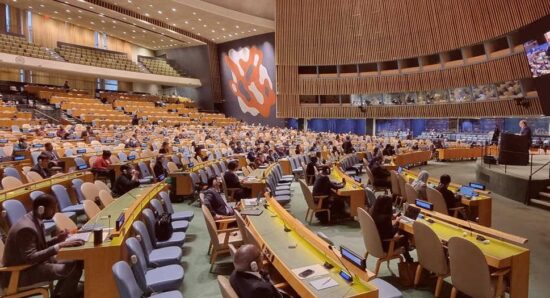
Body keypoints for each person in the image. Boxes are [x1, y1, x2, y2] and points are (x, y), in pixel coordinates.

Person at [0, 194, 85, 298]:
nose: (55, 211)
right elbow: (31, 257)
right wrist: (59, 245)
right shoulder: (26, 228)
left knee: (76, 261)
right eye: (53, 208)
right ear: (41, 209)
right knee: (68, 268)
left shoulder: (35, 220)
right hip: (20, 273)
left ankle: (61, 294)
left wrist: (57, 239)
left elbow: (39, 247)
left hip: (32, 265)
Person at [370, 195, 413, 262]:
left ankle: (409, 258)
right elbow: (391, 234)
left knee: (402, 232)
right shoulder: (385, 219)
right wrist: (397, 222)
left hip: (376, 243)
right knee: (404, 235)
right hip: (387, 246)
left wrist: (393, 221)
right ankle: (409, 254)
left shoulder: (373, 213)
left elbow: (384, 229)